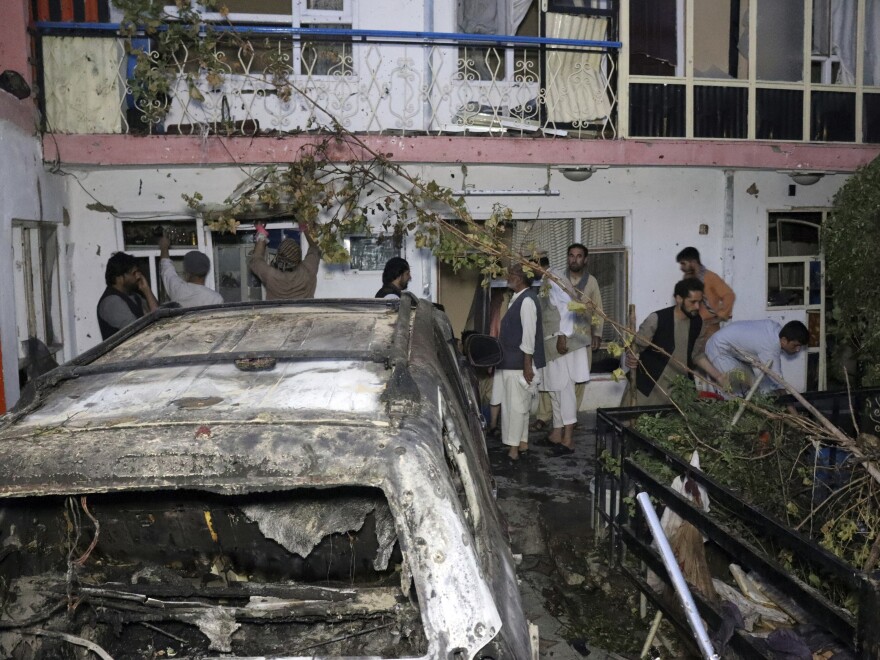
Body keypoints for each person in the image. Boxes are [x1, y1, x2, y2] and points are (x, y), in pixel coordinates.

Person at [533, 243, 603, 430]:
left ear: (585, 259)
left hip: (576, 339)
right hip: (564, 339)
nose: (574, 259)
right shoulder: (556, 277)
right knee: (556, 385)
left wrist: (596, 333)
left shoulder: (587, 282)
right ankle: (552, 422)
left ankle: (568, 428)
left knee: (569, 385)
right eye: (571, 255)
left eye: (579, 256)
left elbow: (575, 308)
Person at [625, 278, 725, 405]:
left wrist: (719, 376)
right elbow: (634, 347)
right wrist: (630, 356)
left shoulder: (698, 323)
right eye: (692, 302)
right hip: (648, 389)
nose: (697, 306)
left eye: (699, 302)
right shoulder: (657, 319)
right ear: (678, 299)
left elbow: (697, 355)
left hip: (678, 392)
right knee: (631, 422)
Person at [490, 263, 546, 461]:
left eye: (511, 273)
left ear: (521, 277)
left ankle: (513, 450)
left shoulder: (527, 301)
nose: (508, 276)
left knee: (514, 408)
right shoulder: (519, 299)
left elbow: (529, 336)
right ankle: (522, 444)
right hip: (513, 362)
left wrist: (526, 365)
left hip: (518, 363)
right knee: (520, 407)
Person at [706, 319, 809, 395]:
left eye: (800, 346)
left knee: (751, 386)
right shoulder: (770, 345)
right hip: (719, 349)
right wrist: (793, 413)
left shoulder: (776, 329)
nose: (797, 349)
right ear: (784, 340)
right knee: (735, 392)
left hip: (731, 351)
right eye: (795, 345)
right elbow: (778, 381)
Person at [248, 221, 321, 300]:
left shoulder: (271, 275)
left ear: (278, 255)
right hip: (304, 312)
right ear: (298, 258)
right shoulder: (308, 270)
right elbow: (315, 248)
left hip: (277, 312)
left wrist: (261, 232)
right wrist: (305, 228)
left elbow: (256, 260)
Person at [97, 252, 159, 340]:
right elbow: (137, 333)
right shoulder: (112, 302)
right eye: (134, 273)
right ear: (120, 278)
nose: (138, 276)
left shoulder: (134, 297)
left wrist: (147, 290)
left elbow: (156, 317)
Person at [676, 246, 736, 338]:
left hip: (709, 327)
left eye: (683, 264)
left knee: (708, 352)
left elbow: (729, 295)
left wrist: (721, 315)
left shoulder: (710, 277)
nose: (681, 267)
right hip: (691, 326)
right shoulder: (687, 278)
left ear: (693, 262)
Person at [158, 235, 223, 307]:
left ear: (187, 273)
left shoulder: (178, 290)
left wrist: (164, 247)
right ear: (206, 272)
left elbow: (166, 266)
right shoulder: (216, 299)